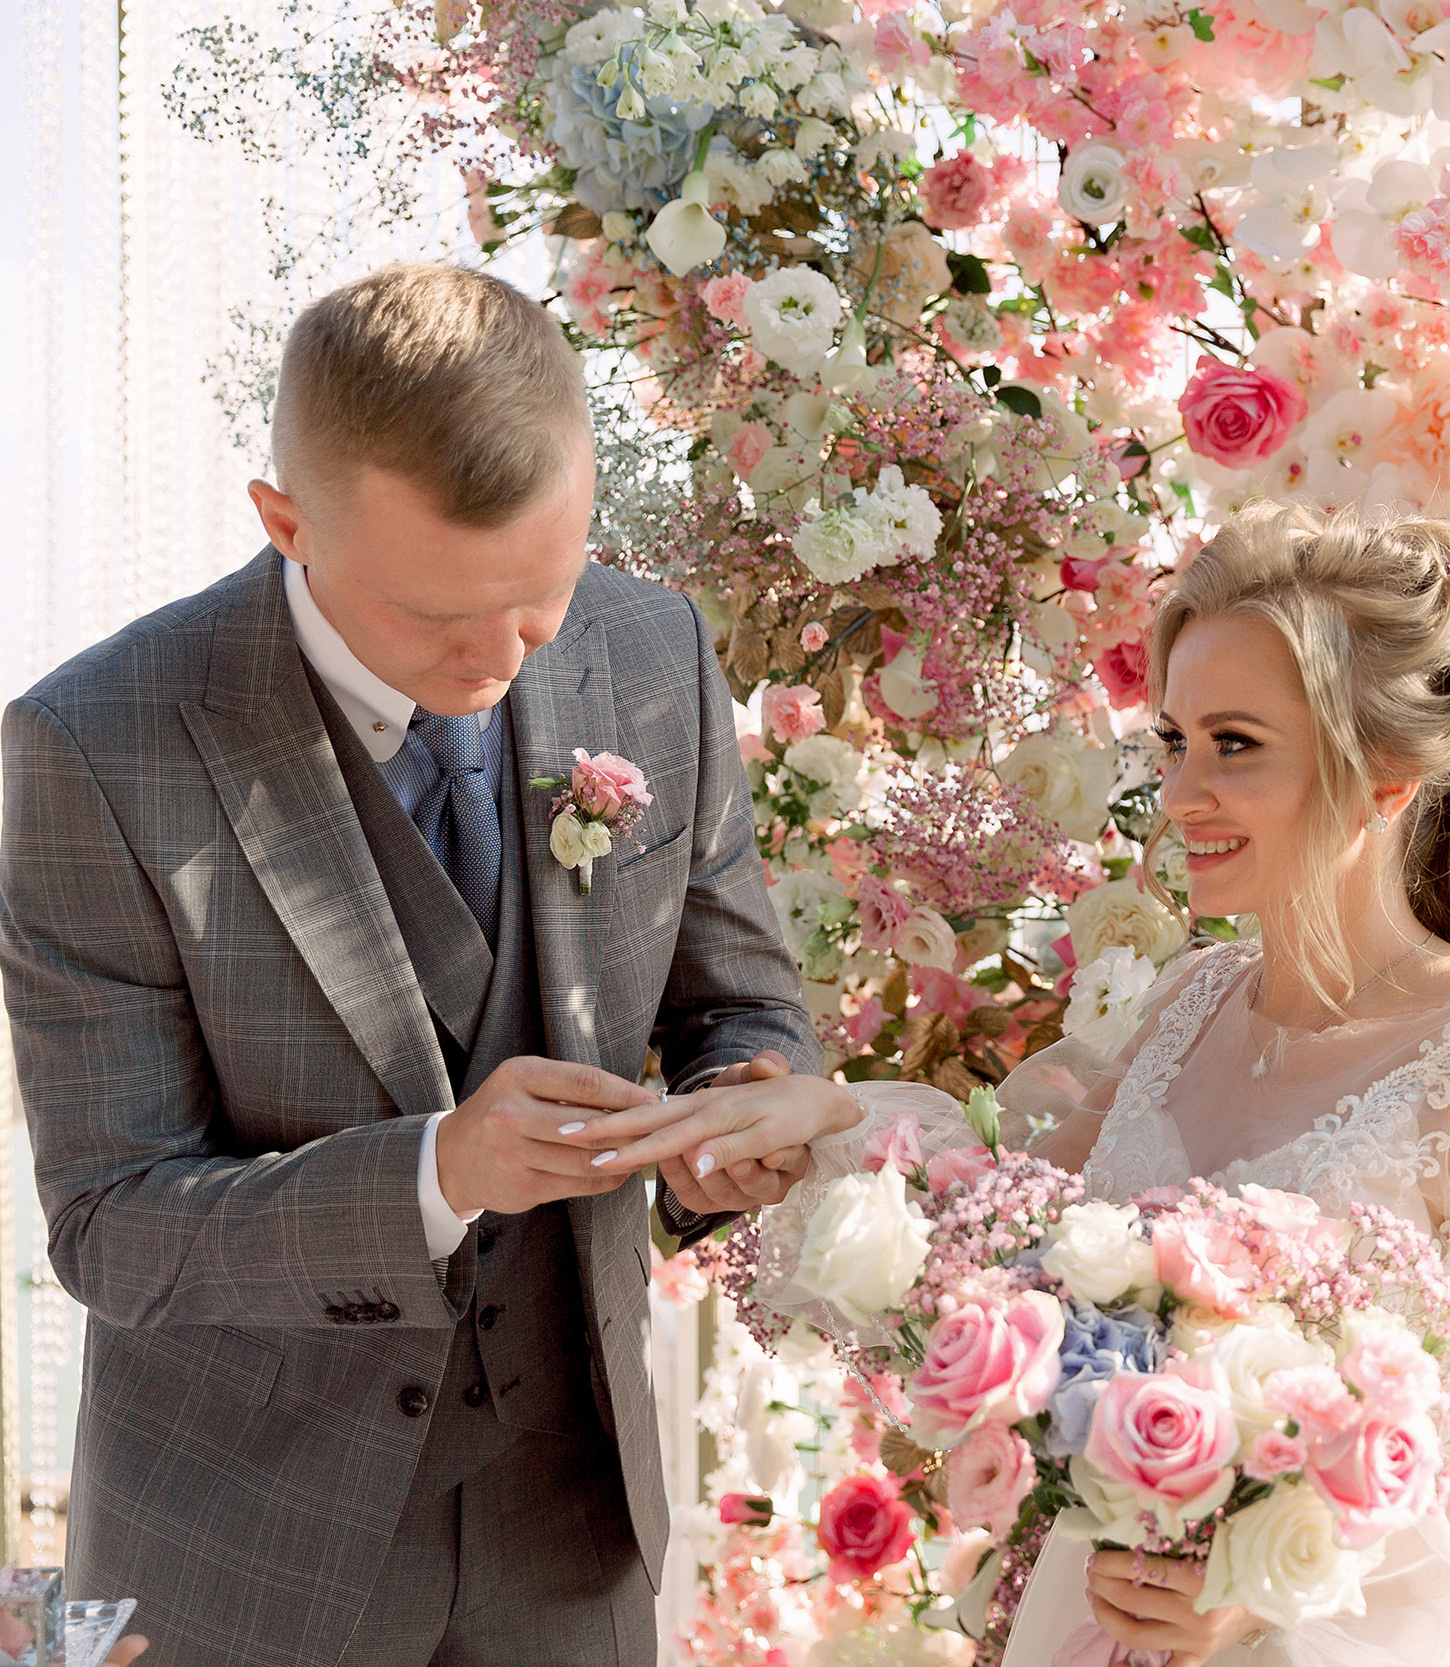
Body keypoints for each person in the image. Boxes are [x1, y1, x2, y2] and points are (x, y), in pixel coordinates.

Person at [591, 504, 1450, 1666]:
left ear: (1387, 772)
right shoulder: (1190, 1001)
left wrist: (1273, 1579)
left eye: (1235, 743)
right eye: (1174, 741)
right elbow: (997, 1198)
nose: (1182, 792)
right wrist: (820, 1116)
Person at [0, 263, 835, 1666]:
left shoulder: (653, 650)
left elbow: (738, 1002)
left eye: (541, 597)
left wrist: (745, 1100)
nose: (505, 657)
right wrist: (436, 1175)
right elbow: (112, 1225)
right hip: (245, 1558)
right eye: (441, 617)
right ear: (285, 523)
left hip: (573, 1530)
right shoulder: (93, 748)